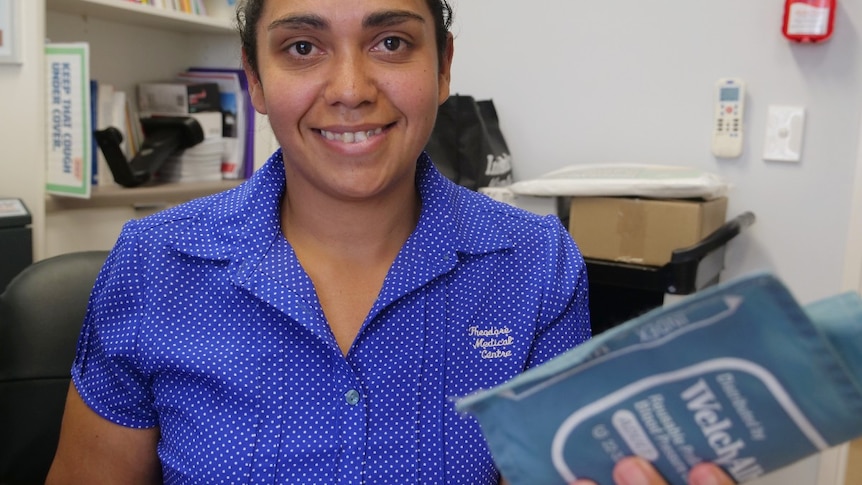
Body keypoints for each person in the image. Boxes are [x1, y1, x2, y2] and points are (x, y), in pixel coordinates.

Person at [46, 0, 734, 484]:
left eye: (391, 42)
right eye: (303, 47)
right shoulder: (153, 265)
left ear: (443, 67)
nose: (350, 89)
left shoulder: (535, 264)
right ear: (254, 78)